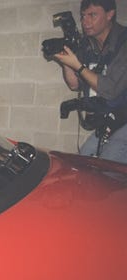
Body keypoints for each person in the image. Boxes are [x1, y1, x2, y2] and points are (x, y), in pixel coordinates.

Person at [53, 0, 127, 163]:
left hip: (124, 122)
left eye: (92, 15)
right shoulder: (88, 46)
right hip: (110, 121)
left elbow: (110, 90)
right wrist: (67, 62)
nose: (85, 21)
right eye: (83, 16)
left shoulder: (123, 42)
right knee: (84, 163)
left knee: (107, 171)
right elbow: (75, 85)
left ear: (110, 15)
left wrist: (78, 66)